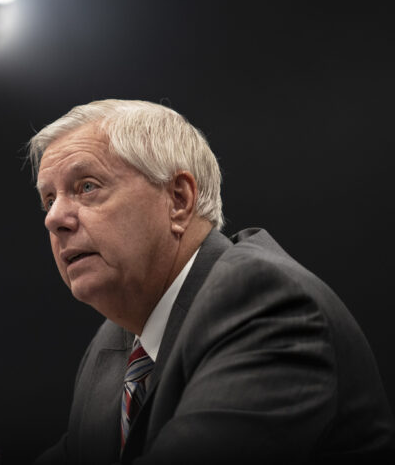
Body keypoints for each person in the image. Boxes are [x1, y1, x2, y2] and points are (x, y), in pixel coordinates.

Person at [29, 99, 395, 464]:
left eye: (87, 186)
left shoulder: (266, 303)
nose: (54, 218)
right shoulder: (113, 342)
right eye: (49, 200)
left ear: (178, 200)